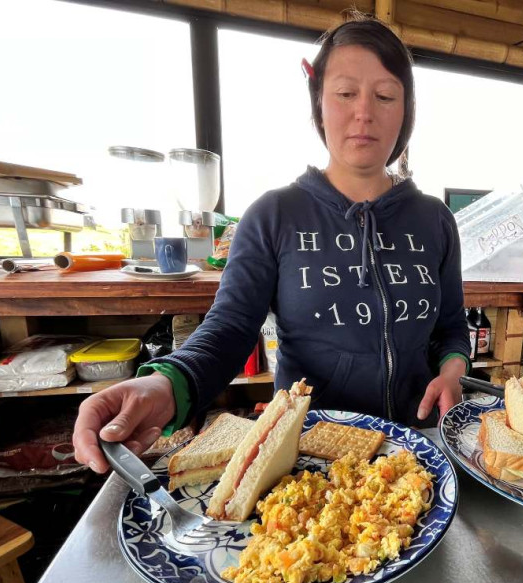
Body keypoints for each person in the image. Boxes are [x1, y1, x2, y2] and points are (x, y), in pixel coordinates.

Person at [73, 15, 471, 474]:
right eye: (345, 93)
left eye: (385, 96)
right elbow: (229, 328)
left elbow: (451, 326)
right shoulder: (274, 214)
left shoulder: (435, 220)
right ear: (319, 103)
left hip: (416, 449)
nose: (365, 112)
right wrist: (165, 385)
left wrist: (453, 369)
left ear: (406, 112)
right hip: (306, 457)